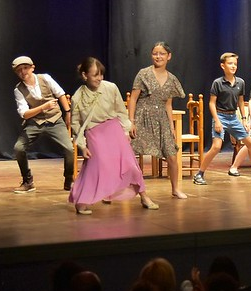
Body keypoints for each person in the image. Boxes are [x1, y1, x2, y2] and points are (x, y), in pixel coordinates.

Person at [68, 57, 158, 215]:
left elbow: (120, 111)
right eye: (95, 75)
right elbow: (76, 124)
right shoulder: (78, 97)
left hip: (113, 129)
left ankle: (144, 197)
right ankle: (82, 201)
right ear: (84, 75)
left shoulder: (110, 88)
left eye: (101, 74)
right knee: (96, 167)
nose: (99, 78)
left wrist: (126, 130)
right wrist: (82, 146)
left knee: (130, 164)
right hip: (94, 133)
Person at [127, 41, 188, 199]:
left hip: (162, 120)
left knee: (172, 155)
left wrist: (171, 127)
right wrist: (131, 121)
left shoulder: (172, 79)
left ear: (169, 56)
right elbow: (133, 99)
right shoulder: (144, 74)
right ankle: (125, 188)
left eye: (162, 54)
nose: (158, 56)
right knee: (129, 153)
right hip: (143, 117)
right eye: (155, 53)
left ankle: (175, 188)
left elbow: (168, 104)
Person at [192, 52, 251, 185]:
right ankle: (199, 174)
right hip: (220, 116)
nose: (233, 66)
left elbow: (240, 101)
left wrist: (244, 119)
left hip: (233, 117)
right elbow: (211, 103)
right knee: (216, 147)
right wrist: (217, 121)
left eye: (235, 64)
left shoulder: (240, 82)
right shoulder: (218, 83)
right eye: (230, 63)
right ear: (223, 66)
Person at [11, 55, 74, 193]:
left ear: (32, 68)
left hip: (54, 120)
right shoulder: (19, 90)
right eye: (19, 70)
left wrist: (68, 112)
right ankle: (27, 181)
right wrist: (43, 107)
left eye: (25, 68)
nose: (23, 72)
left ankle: (69, 179)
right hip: (35, 122)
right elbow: (24, 114)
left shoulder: (45, 78)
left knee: (69, 149)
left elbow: (60, 94)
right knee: (19, 148)